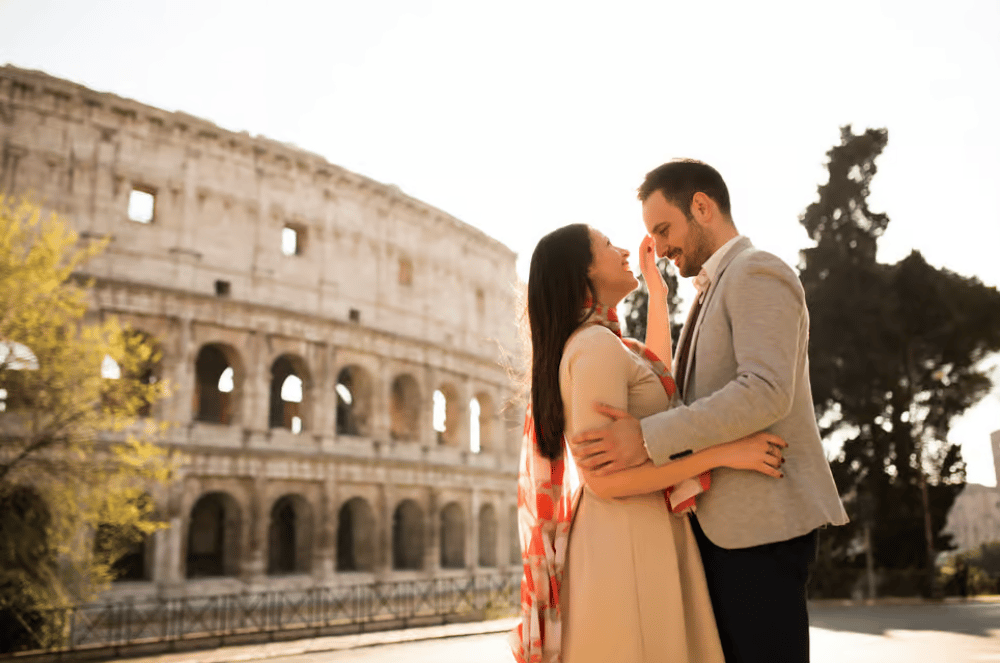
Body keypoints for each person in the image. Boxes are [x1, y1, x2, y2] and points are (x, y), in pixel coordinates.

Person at [570, 160, 849, 663]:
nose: (659, 245)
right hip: (726, 528)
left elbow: (764, 391)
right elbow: (685, 396)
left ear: (702, 206)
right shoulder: (712, 288)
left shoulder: (757, 271)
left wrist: (647, 436)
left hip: (760, 524)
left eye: (663, 229)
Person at [509, 222, 788, 663]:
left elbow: (656, 382)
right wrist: (724, 453)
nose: (622, 249)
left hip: (634, 533)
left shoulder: (607, 346)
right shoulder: (596, 348)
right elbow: (605, 482)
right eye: (606, 244)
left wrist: (656, 295)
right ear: (582, 271)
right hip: (626, 539)